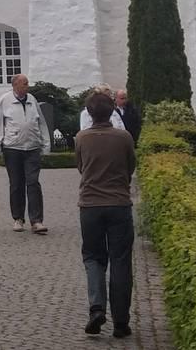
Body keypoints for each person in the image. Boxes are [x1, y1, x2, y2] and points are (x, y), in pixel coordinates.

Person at [75, 90, 137, 338]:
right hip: (119, 204)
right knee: (120, 260)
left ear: (89, 113)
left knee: (93, 257)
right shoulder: (124, 137)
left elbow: (81, 167)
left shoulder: (82, 138)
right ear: (112, 111)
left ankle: (97, 308)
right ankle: (121, 322)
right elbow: (131, 166)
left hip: (90, 205)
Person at [0, 73, 52, 234]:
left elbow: (41, 123)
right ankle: (18, 218)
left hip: (32, 148)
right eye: (24, 83)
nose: (27, 86)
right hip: (13, 148)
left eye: (27, 83)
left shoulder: (32, 99)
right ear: (15, 85)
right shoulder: (5, 100)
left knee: (33, 183)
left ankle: (37, 221)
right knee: (16, 184)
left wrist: (46, 144)